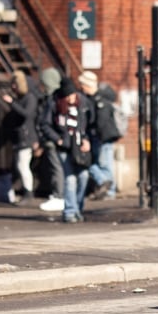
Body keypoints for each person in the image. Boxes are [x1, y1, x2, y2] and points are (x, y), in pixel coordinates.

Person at [38, 77, 92, 223]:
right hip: (64, 147)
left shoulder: (82, 103)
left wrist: (87, 139)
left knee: (84, 176)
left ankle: (78, 208)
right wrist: (58, 139)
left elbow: (89, 123)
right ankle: (69, 212)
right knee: (70, 179)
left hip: (80, 146)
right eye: (67, 96)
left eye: (72, 95)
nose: (70, 99)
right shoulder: (54, 104)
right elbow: (45, 124)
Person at [78, 71, 119, 200]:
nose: (81, 88)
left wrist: (97, 135)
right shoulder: (92, 99)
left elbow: (101, 121)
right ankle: (106, 187)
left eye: (83, 85)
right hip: (99, 137)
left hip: (102, 138)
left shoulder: (99, 99)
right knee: (101, 163)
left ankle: (108, 189)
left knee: (103, 164)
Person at [2, 70, 39, 204]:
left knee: (23, 165)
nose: (13, 87)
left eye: (15, 84)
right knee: (19, 165)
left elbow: (26, 114)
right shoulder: (20, 98)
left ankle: (28, 193)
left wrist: (12, 103)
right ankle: (21, 190)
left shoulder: (30, 98)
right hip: (19, 137)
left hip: (27, 137)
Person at [36, 68, 65, 212]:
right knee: (57, 168)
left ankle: (59, 196)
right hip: (54, 139)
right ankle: (58, 195)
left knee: (57, 168)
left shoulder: (53, 100)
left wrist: (55, 138)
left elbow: (46, 121)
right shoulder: (52, 98)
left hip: (54, 140)